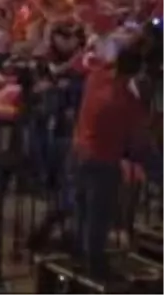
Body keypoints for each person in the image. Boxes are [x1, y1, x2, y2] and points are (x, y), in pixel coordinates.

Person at [71, 37, 151, 277]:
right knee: (99, 216)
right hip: (104, 160)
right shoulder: (127, 102)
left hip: (79, 152)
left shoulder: (96, 79)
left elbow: (98, 62)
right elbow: (137, 138)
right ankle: (95, 267)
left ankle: (79, 256)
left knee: (82, 210)